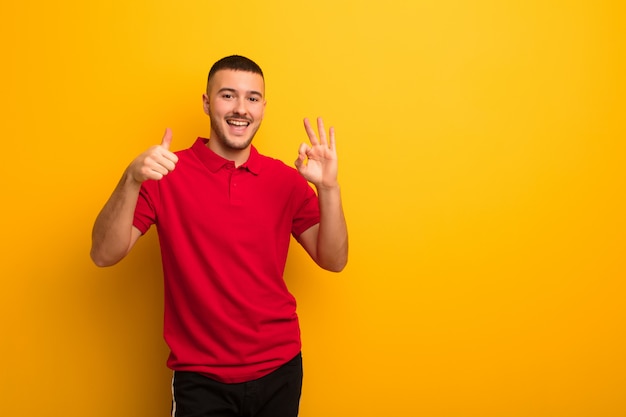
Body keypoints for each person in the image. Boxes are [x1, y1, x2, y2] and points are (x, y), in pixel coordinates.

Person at [90, 55, 348, 417]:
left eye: (252, 98)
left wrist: (330, 188)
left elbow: (334, 260)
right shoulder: (165, 173)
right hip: (201, 377)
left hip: (281, 367)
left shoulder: (287, 180)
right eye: (228, 95)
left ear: (263, 107)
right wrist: (131, 179)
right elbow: (103, 254)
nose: (241, 108)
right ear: (207, 103)